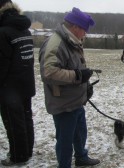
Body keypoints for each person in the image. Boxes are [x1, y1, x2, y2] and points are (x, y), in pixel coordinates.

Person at [39, 7, 100, 168]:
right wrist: (78, 76)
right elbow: (49, 73)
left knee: (80, 133)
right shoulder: (56, 43)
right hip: (63, 104)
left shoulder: (72, 40)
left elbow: (75, 66)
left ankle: (81, 157)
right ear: (75, 27)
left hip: (76, 101)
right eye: (84, 30)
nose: (85, 34)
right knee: (65, 140)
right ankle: (64, 165)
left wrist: (85, 85)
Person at [0, 0, 35, 166]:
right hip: (26, 82)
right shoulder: (25, 30)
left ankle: (18, 156)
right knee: (26, 118)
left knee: (14, 123)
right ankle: (27, 151)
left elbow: (2, 65)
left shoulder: (3, 32)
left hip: (9, 87)